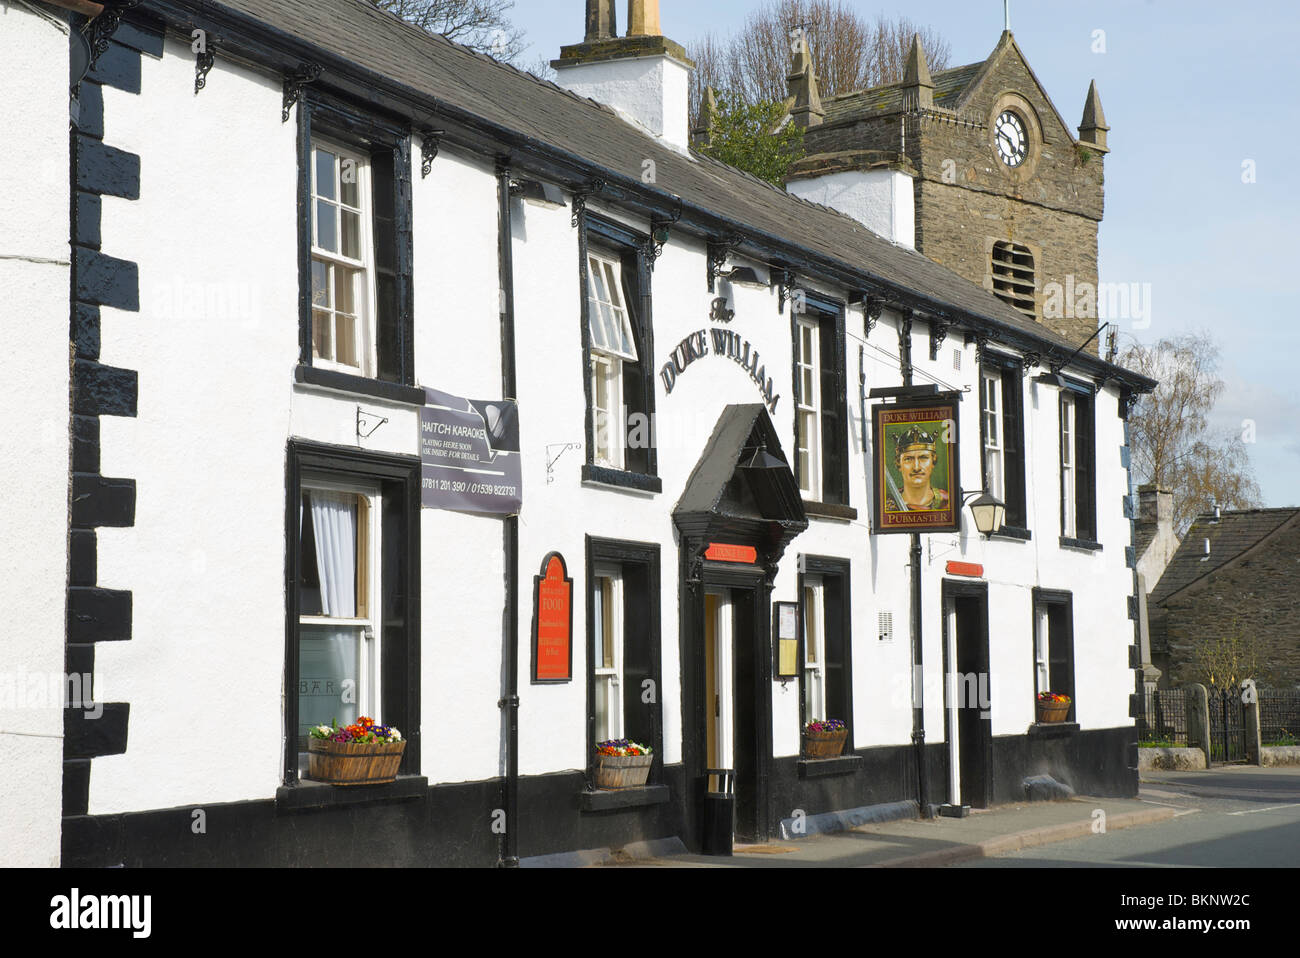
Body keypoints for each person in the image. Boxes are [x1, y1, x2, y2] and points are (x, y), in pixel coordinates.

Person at [885, 426, 950, 512]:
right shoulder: (887, 505)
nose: (916, 467)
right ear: (899, 464)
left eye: (923, 458)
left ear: (933, 462)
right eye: (908, 459)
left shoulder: (947, 502)